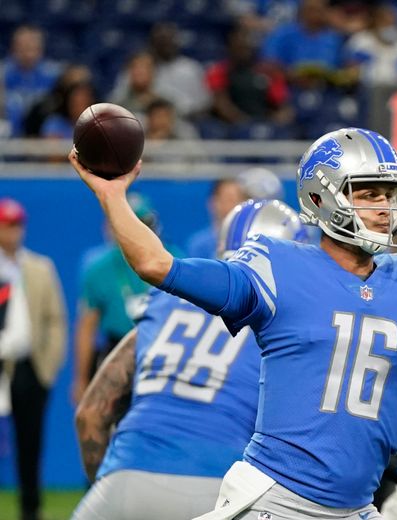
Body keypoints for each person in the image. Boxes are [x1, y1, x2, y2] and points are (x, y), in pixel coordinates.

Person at [68, 128, 397, 520]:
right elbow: (156, 264)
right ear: (319, 197)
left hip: (358, 507)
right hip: (276, 500)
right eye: (369, 193)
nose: (385, 208)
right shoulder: (277, 264)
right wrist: (113, 196)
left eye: (390, 195)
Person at [72, 199, 305, 520]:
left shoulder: (167, 301)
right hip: (218, 485)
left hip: (126, 477)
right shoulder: (287, 324)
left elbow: (90, 414)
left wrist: (111, 482)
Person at [73, 194, 175, 404]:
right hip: (117, 350)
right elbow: (86, 326)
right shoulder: (99, 268)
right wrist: (82, 380)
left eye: (145, 225)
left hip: (165, 352)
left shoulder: (173, 259)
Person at [0, 198, 66, 520]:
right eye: (6, 225)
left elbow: (55, 319)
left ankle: (31, 510)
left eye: (16, 225)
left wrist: (47, 368)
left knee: (30, 443)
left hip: (30, 367)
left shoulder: (39, 268)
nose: (12, 232)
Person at [186, 179, 249, 258]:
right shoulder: (199, 245)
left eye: (239, 199)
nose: (236, 205)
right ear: (214, 202)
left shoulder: (251, 242)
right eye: (229, 199)